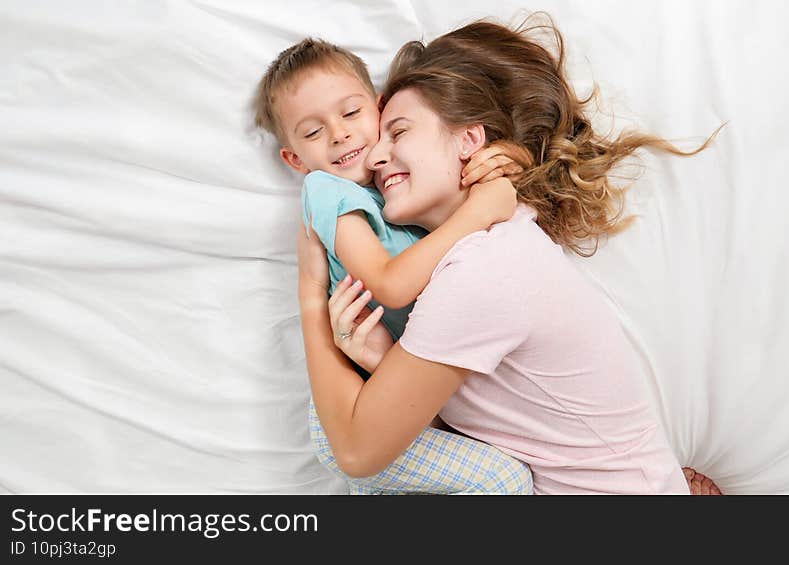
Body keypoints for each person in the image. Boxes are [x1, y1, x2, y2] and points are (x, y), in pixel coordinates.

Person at [297, 16, 724, 494]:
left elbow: (355, 451)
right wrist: (388, 362)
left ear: (470, 140)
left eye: (398, 132)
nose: (374, 157)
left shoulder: (481, 271)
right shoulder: (498, 236)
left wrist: (310, 291)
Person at [254, 38, 534, 494]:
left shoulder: (395, 180)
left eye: (350, 113)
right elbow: (388, 284)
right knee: (503, 481)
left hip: (401, 392)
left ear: (378, 109)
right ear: (294, 159)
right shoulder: (326, 190)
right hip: (354, 407)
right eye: (312, 132)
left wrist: (511, 165)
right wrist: (477, 212)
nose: (339, 135)